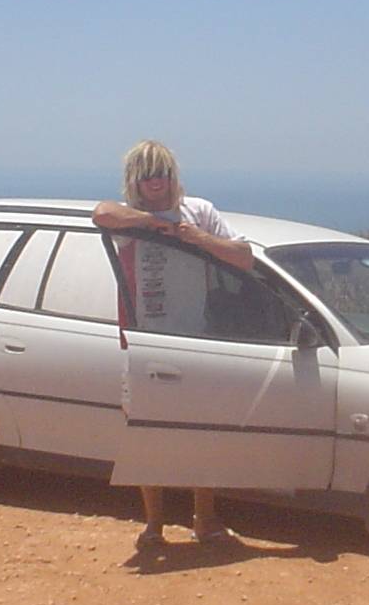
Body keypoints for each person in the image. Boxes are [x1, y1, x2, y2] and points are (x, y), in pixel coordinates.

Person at [92, 140, 254, 550]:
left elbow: (243, 255)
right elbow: (101, 213)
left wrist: (198, 238)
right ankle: (154, 525)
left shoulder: (199, 211)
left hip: (197, 340)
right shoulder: (128, 218)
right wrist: (152, 223)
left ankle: (205, 519)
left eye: (161, 172)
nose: (155, 181)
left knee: (200, 433)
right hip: (143, 342)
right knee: (146, 435)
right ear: (135, 179)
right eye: (147, 174)